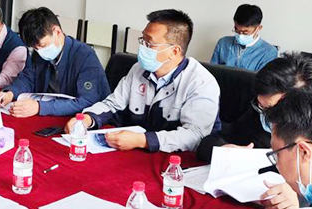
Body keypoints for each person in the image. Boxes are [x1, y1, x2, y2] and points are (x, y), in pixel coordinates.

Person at [197, 52, 312, 209]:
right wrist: (223, 150)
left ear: (303, 103)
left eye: (273, 110)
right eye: (261, 107)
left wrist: (299, 195)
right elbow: (212, 140)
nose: (267, 118)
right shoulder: (260, 112)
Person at [65, 9, 220, 152]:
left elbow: (194, 135)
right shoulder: (138, 69)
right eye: (142, 40)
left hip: (177, 159)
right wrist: (87, 119)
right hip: (138, 153)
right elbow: (113, 104)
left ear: (174, 51)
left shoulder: (201, 83)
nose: (142, 48)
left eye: (149, 43)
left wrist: (143, 140)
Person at [0, 7, 110, 117]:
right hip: (48, 115)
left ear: (57, 32)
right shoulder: (39, 53)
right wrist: (10, 92)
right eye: (35, 48)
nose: (40, 51)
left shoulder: (85, 56)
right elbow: (28, 78)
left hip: (76, 120)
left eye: (42, 45)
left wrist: (40, 107)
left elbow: (88, 101)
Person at [210, 4, 278, 71]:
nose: (240, 35)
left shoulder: (269, 52)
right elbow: (212, 71)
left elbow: (265, 77)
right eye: (237, 30)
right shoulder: (223, 43)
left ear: (259, 28)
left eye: (245, 32)